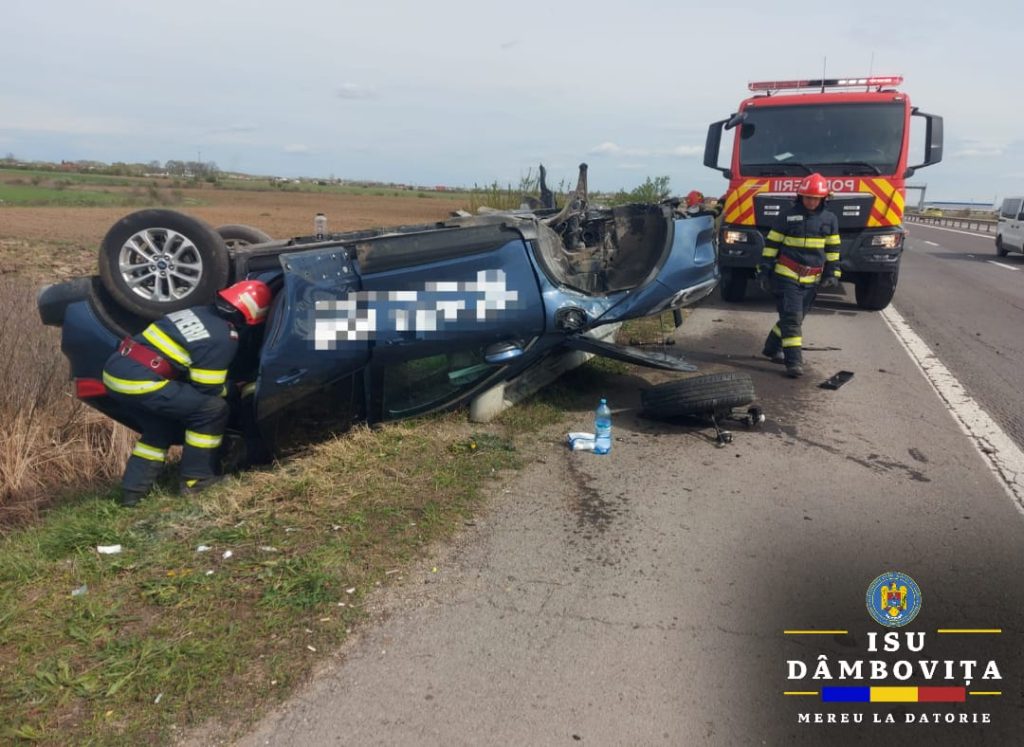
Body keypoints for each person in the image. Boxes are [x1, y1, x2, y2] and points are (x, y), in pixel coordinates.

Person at [101, 279, 273, 506]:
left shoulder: (196, 312)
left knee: (159, 429)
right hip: (140, 380)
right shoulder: (223, 338)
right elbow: (208, 388)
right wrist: (235, 387)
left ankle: (132, 494)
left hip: (116, 372)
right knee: (211, 410)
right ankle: (197, 481)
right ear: (251, 316)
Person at [756, 173, 841, 378]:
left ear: (824, 198)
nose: (811, 201)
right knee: (793, 319)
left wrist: (833, 272)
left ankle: (770, 348)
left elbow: (833, 248)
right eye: (807, 197)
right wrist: (764, 271)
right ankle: (793, 362)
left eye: (815, 198)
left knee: (794, 318)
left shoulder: (830, 219)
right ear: (800, 196)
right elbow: (772, 245)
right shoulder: (787, 216)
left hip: (812, 280)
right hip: (787, 275)